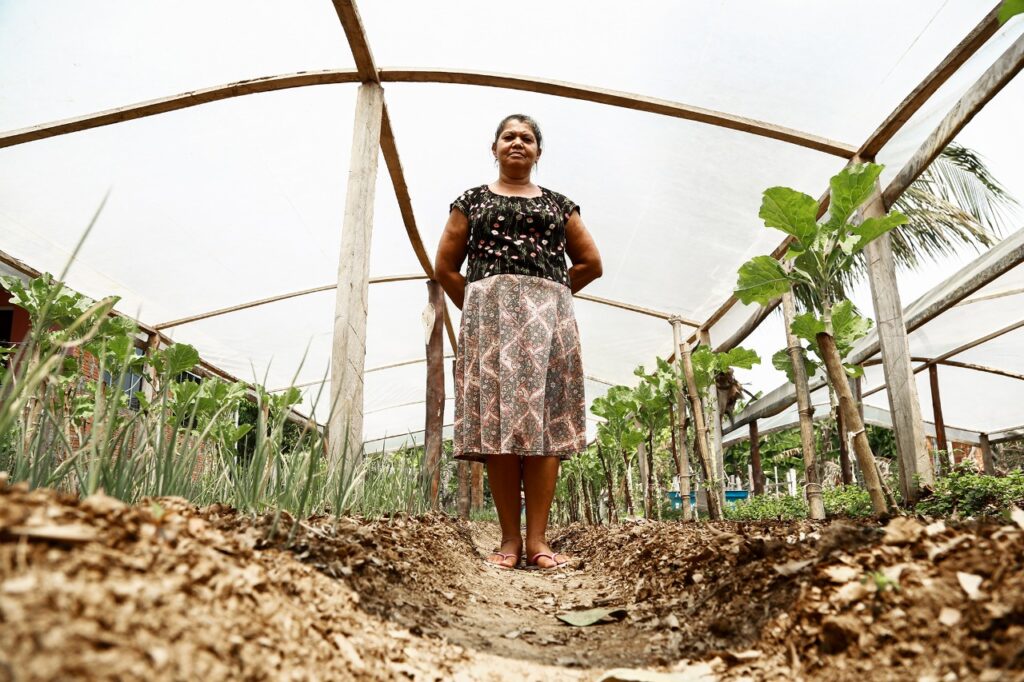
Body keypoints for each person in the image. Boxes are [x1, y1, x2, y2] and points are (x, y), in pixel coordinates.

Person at [433, 114, 603, 570]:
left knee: (545, 424)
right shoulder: (470, 202)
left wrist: (549, 294)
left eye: (527, 138)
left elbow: (590, 263)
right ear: (494, 148)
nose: (517, 143)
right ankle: (509, 541)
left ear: (538, 153)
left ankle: (538, 542)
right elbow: (446, 267)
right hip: (489, 321)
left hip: (548, 322)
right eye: (508, 136)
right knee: (499, 423)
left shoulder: (559, 205)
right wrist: (480, 303)